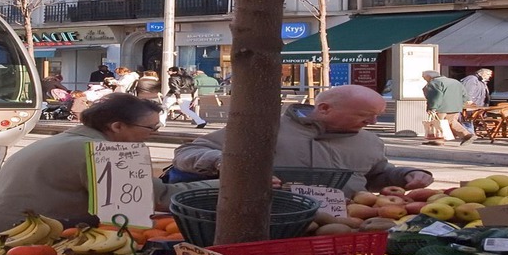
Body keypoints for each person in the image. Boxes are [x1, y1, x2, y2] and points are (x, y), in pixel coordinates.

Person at [170, 84, 434, 196]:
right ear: (325, 109)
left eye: (377, 116)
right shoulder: (264, 129)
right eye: (365, 115)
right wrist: (221, 162)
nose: (373, 123)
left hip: (342, 227)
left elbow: (376, 176)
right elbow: (188, 152)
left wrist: (407, 175)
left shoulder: (370, 142)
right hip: (272, 222)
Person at [0, 94, 174, 232]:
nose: (153, 134)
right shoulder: (104, 151)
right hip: (20, 243)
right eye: (151, 128)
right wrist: (206, 188)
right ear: (117, 126)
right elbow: (157, 198)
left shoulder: (65, 140)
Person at [422, 71, 473, 145]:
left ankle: (438, 140)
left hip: (441, 107)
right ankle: (466, 135)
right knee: (451, 122)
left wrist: (432, 108)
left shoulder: (434, 83)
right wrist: (465, 102)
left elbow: (435, 96)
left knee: (438, 123)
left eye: (424, 77)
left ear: (429, 76)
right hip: (456, 106)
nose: (424, 79)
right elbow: (464, 94)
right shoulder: (455, 82)